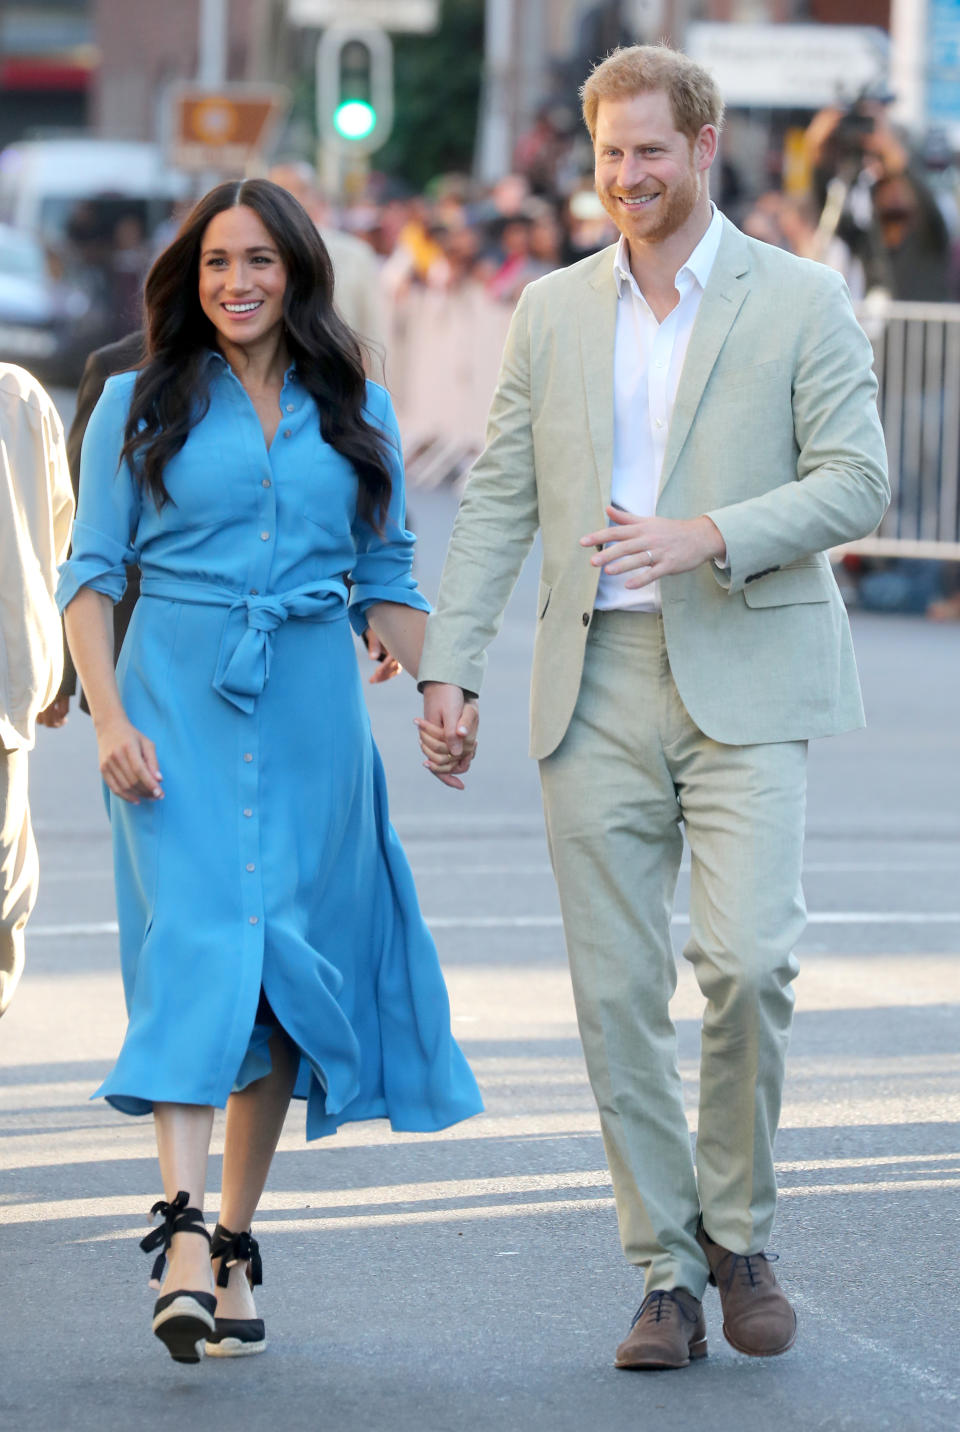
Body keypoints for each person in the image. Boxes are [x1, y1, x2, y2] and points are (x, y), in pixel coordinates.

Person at [416, 44, 889, 1372]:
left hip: (748, 661)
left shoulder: (799, 298)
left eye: (651, 152)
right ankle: (667, 1273)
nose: (628, 177)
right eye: (610, 155)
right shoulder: (552, 310)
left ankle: (739, 1228)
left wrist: (710, 534)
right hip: (595, 683)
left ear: (702, 143)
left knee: (748, 964)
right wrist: (451, 668)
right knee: (618, 995)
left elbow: (861, 482)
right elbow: (502, 494)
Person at [57, 178, 482, 1365]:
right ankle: (182, 1229)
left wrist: (445, 687)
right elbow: (90, 575)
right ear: (188, 283)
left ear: (296, 271)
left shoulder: (360, 408)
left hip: (311, 715)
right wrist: (105, 716)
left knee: (281, 976)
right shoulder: (136, 403)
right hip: (170, 707)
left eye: (257, 261)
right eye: (213, 264)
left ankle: (234, 1240)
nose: (236, 282)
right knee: (199, 945)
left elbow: (388, 576)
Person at [0, 363, 75, 1016]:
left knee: (5, 894)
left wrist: (54, 664)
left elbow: (57, 542)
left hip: (6, 685)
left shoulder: (18, 398)